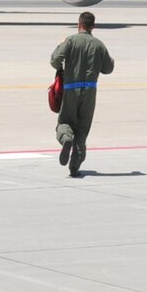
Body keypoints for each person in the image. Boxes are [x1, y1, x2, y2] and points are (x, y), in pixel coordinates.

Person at [49, 11, 115, 177]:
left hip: (71, 89)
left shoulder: (71, 41)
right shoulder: (99, 45)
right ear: (93, 26)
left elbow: (55, 61)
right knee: (83, 129)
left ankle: (66, 139)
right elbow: (108, 68)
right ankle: (75, 165)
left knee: (65, 122)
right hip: (90, 92)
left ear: (79, 24)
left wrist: (61, 47)